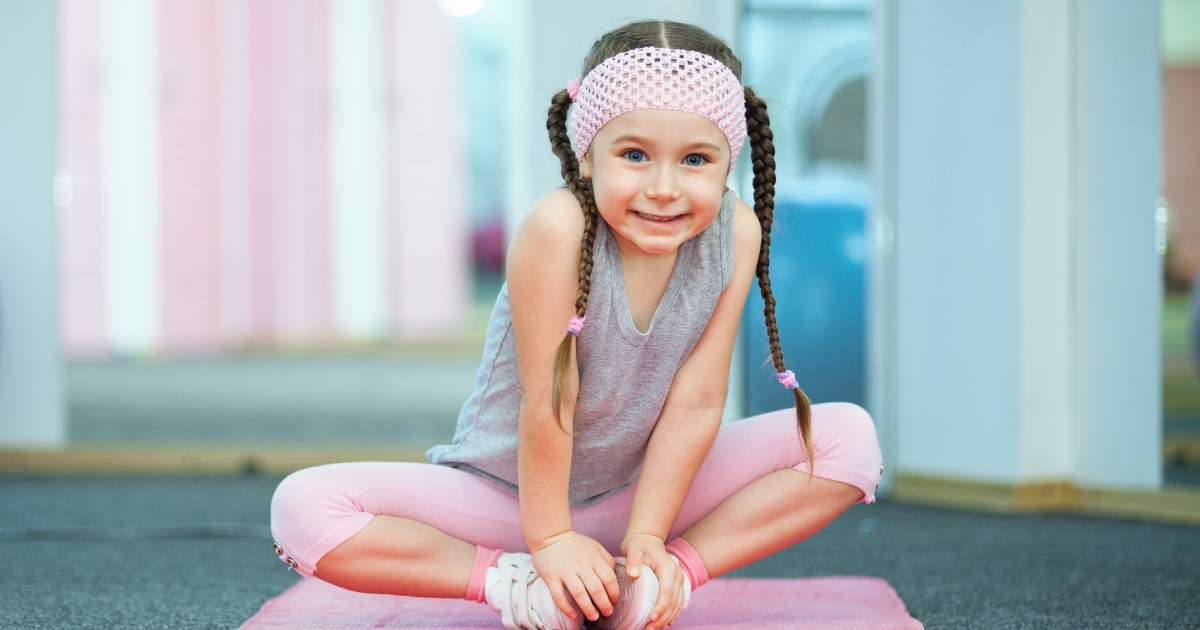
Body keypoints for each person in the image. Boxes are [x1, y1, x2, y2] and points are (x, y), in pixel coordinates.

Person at [269, 20, 882, 630]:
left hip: (644, 494)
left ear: (728, 166)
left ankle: (657, 581)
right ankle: (519, 588)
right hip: (509, 499)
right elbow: (550, 401)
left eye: (695, 159)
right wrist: (552, 537)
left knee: (847, 439)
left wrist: (648, 532)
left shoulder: (736, 231)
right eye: (634, 155)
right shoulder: (559, 228)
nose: (664, 187)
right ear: (587, 155)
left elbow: (697, 400)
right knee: (303, 509)